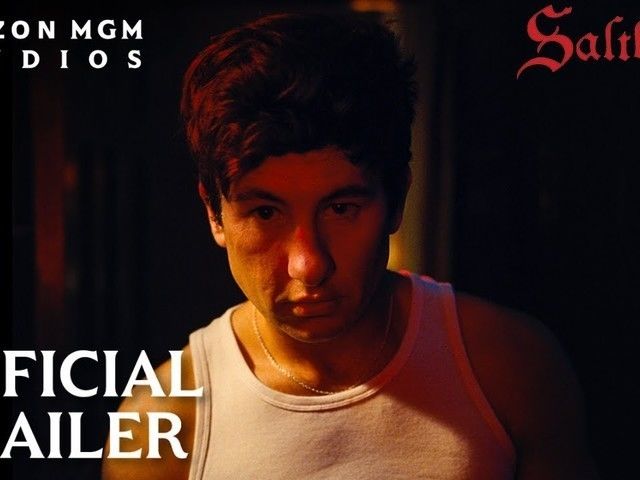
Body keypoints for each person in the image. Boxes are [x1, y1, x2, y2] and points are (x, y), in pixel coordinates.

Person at [102, 13, 598, 479]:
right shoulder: (161, 423)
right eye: (265, 213)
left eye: (341, 209)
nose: (308, 265)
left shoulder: (510, 368)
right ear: (215, 213)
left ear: (396, 199)